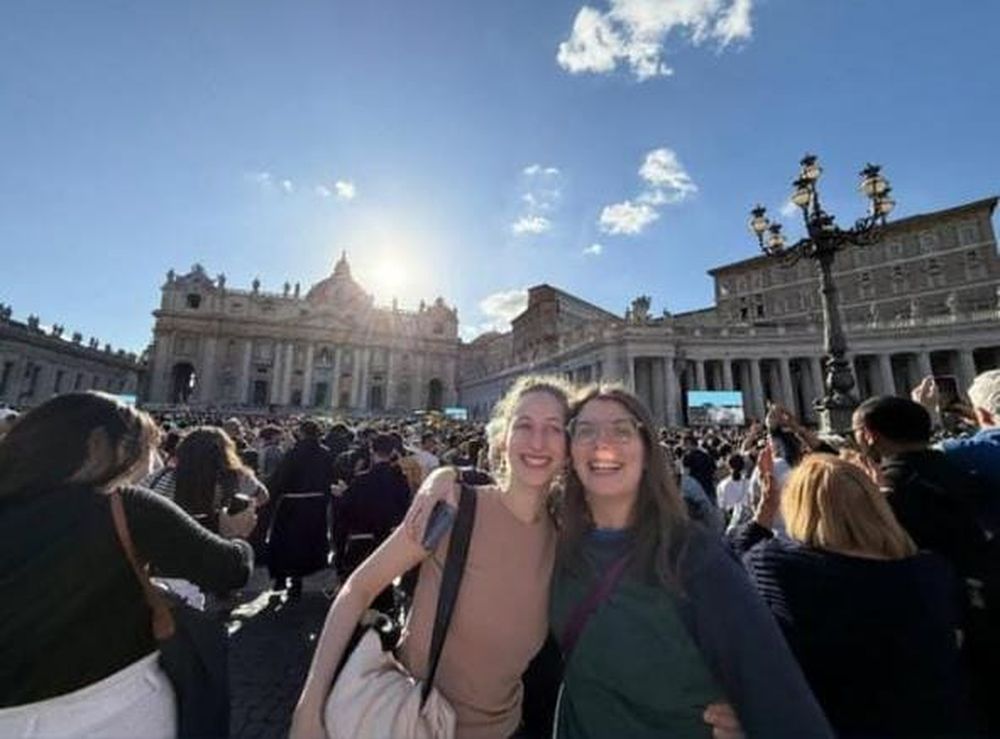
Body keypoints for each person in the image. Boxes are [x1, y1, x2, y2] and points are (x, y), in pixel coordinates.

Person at [291, 375, 572, 739]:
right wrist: (309, 706)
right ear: (502, 438)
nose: (537, 441)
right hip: (413, 725)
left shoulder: (566, 540)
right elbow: (358, 589)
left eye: (553, 428)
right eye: (524, 425)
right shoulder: (453, 508)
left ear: (569, 445)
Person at [551, 384, 831, 739]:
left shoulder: (695, 555)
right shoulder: (555, 546)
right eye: (585, 431)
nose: (602, 443)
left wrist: (750, 717)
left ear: (647, 451)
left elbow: (779, 695)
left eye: (622, 431)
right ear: (568, 451)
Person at [0, 392, 254, 738]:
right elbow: (229, 568)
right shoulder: (123, 507)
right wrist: (238, 536)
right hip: (116, 707)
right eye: (139, 447)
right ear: (100, 446)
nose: (145, 461)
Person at [736, 453, 972, 738]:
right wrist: (875, 497)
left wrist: (764, 511)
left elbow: (732, 564)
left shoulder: (779, 567)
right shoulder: (933, 572)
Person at [335, 432, 413, 609]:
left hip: (362, 537)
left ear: (372, 450)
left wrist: (343, 495)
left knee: (360, 582)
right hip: (388, 536)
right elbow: (404, 506)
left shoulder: (362, 479)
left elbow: (347, 511)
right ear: (392, 452)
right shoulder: (399, 478)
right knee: (383, 580)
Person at [266, 418, 338, 597]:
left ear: (302, 433)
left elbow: (280, 479)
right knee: (307, 543)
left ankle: (280, 578)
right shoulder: (325, 454)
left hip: (291, 504)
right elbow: (331, 478)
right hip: (315, 505)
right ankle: (297, 581)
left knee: (285, 542)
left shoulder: (293, 453)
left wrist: (270, 497)